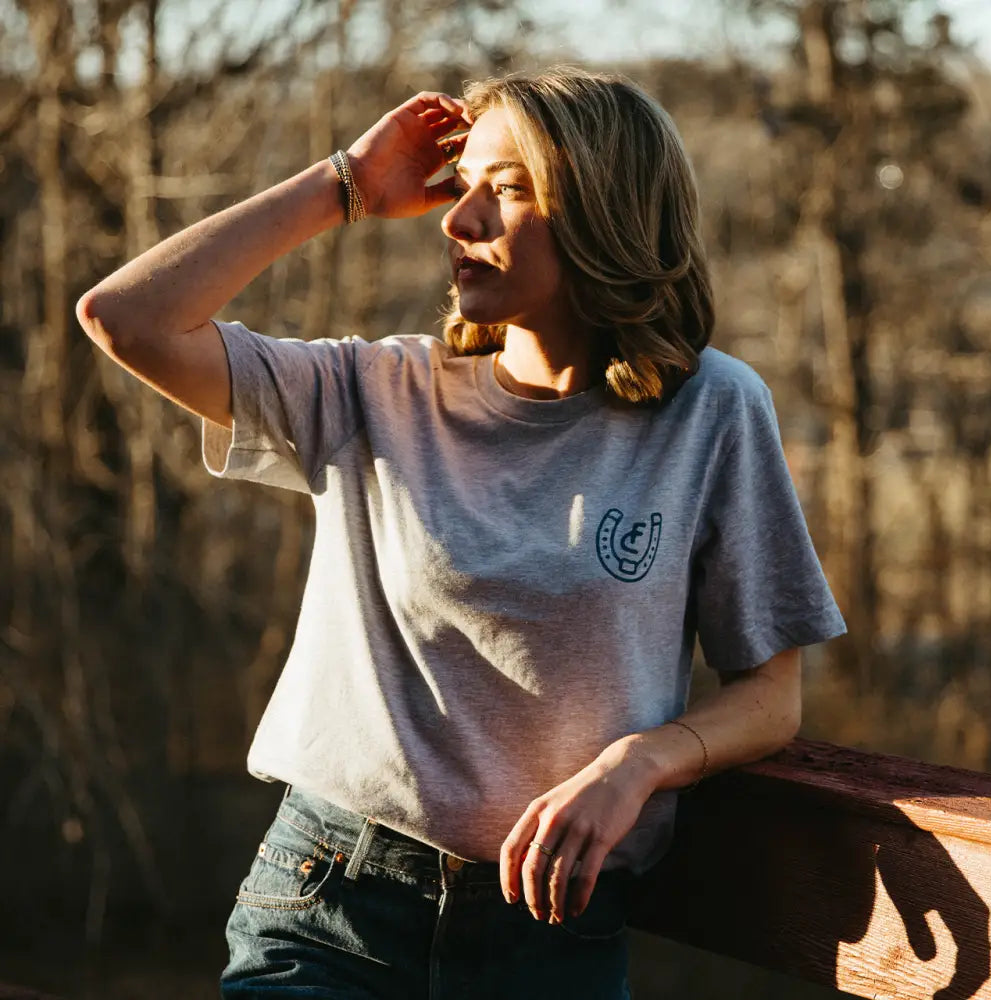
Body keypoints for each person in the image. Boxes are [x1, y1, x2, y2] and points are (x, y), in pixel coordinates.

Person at [77, 68, 846, 1000]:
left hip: (556, 933)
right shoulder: (371, 394)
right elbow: (125, 317)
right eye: (460, 183)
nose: (458, 218)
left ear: (605, 213)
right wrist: (347, 186)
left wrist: (639, 763)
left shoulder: (713, 413)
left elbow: (771, 696)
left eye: (507, 188)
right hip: (332, 904)